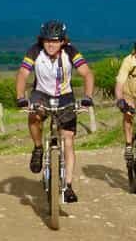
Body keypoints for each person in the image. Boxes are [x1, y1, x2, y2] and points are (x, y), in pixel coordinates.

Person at [15, 20, 95, 203]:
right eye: (47, 40)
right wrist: (20, 97)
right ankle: (38, 148)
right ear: (41, 40)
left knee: (68, 139)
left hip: (65, 96)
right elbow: (22, 74)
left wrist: (88, 97)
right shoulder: (34, 51)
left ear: (63, 41)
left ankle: (68, 185)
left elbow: (87, 73)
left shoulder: (71, 51)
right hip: (41, 94)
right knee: (34, 116)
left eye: (55, 40)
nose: (51, 44)